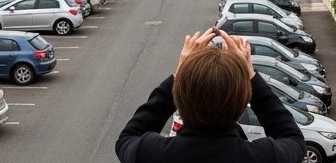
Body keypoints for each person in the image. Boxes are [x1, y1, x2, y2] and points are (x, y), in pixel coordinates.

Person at [116, 27, 304, 163]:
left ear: (178, 97)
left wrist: (178, 74)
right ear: (244, 99)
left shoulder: (151, 153)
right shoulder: (265, 156)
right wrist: (251, 75)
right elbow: (292, 138)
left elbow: (128, 137)